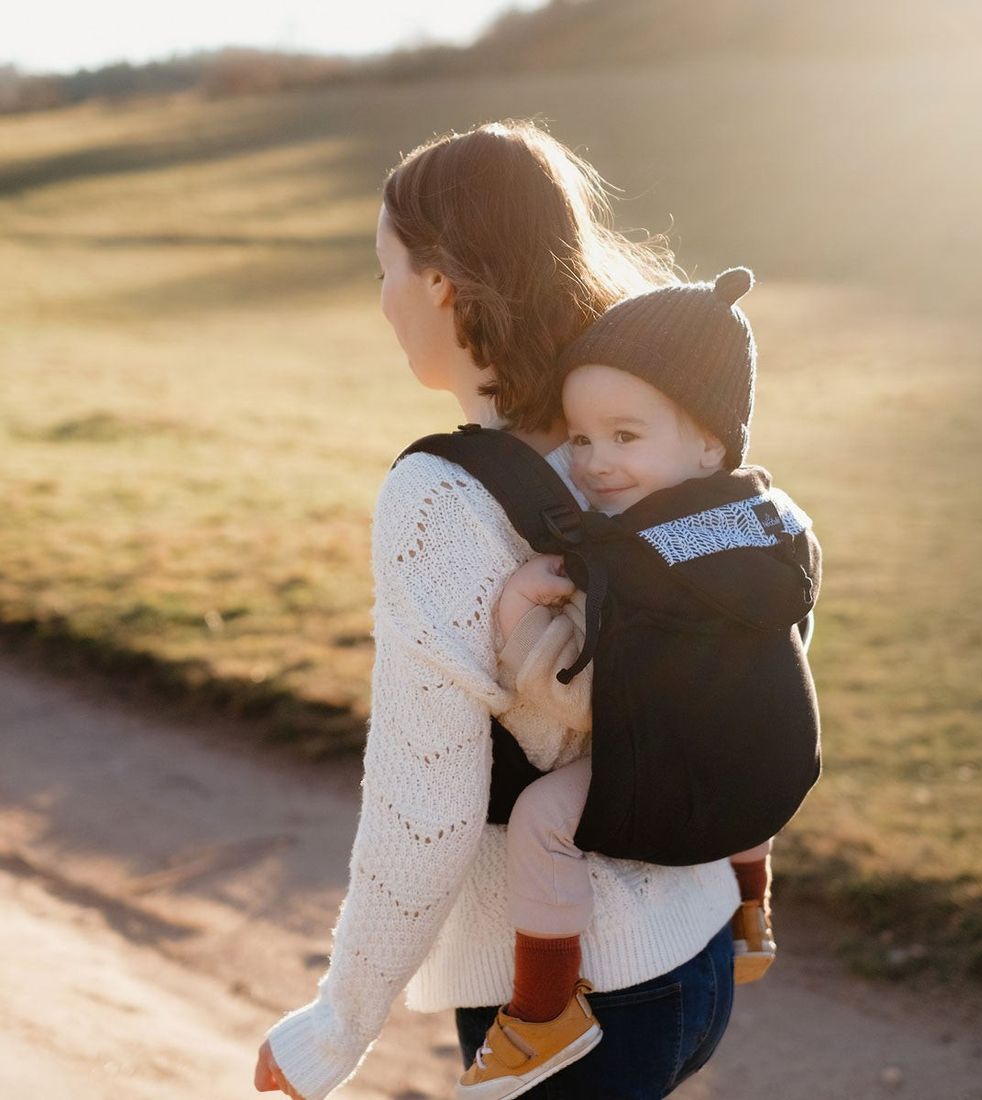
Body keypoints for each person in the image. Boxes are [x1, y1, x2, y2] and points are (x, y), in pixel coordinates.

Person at [253, 119, 740, 1100]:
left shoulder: (438, 498)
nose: (384, 301)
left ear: (439, 282)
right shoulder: (646, 430)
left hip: (564, 1006)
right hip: (700, 949)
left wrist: (335, 1025)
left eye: (385, 268)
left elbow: (421, 807)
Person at [457, 268, 819, 1097]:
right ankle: (751, 908)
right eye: (581, 439)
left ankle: (544, 1012)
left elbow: (584, 692)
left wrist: (520, 621)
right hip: (771, 767)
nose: (594, 463)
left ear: (708, 443)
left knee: (544, 819)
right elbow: (795, 625)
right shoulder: (767, 517)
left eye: (626, 437)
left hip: (681, 770)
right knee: (752, 739)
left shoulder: (634, 558)